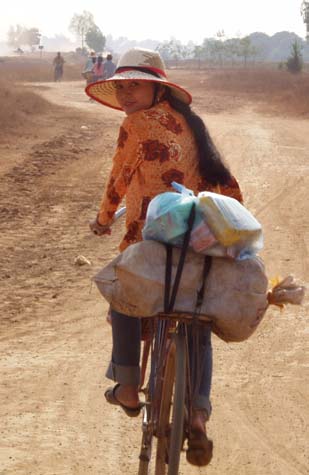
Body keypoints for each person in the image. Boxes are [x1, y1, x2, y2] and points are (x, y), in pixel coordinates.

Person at [87, 48, 243, 467]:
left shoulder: (136, 124)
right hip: (198, 241)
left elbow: (119, 178)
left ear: (158, 88)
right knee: (196, 319)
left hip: (152, 240)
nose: (125, 94)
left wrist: (103, 220)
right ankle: (197, 412)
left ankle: (125, 385)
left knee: (123, 294)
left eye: (134, 85)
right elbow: (224, 183)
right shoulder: (192, 125)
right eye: (121, 87)